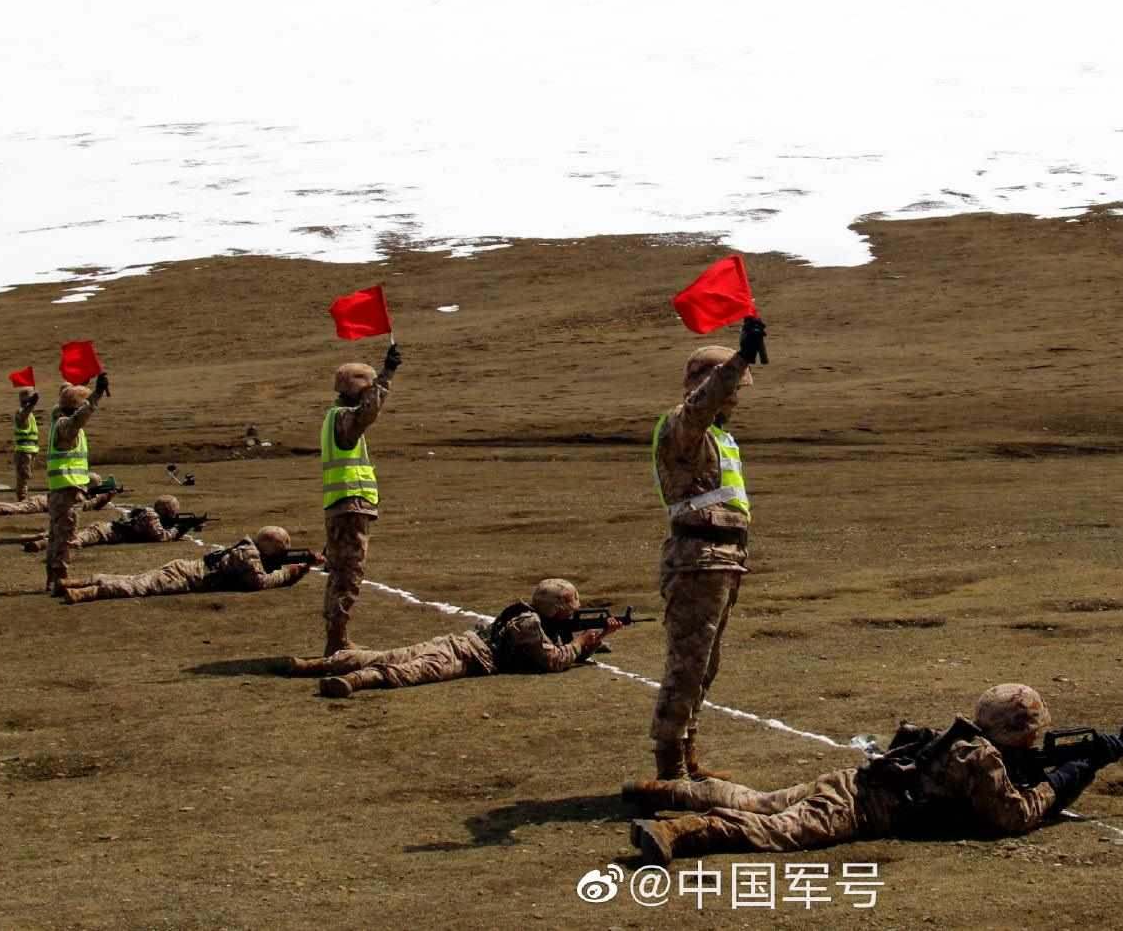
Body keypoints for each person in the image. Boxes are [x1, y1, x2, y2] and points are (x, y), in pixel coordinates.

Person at [626, 684, 1123, 861]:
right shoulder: (982, 760)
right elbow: (1013, 816)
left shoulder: (960, 739)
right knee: (773, 829)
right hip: (858, 809)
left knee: (761, 800)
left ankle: (664, 790)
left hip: (848, 781)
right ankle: (679, 830)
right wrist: (1072, 774)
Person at [648, 314, 767, 782]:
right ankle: (670, 765)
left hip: (723, 559)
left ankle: (688, 750)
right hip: (697, 560)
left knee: (705, 665)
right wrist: (739, 359)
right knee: (687, 664)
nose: (736, 396)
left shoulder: (721, 438)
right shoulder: (683, 427)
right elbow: (700, 406)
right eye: (732, 388)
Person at [284, 578, 628, 697]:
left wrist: (592, 640)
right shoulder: (530, 625)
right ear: (555, 610)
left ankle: (314, 665)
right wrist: (581, 644)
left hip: (458, 641)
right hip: (468, 656)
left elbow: (558, 646)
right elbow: (551, 661)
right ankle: (353, 681)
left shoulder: (527, 614)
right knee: (412, 670)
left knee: (389, 655)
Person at [321, 342, 401, 655]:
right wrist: (387, 375)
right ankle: (337, 640)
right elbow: (368, 413)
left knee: (340, 572)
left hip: (343, 504)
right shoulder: (345, 419)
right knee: (348, 573)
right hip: (349, 505)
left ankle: (336, 637)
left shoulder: (335, 416)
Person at [57, 526, 317, 603]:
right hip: (185, 577)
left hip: (184, 568)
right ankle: (85, 592)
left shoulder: (246, 548)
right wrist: (291, 573)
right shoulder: (249, 558)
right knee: (136, 587)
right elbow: (258, 582)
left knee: (134, 578)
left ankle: (77, 582)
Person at [43, 374, 109, 594]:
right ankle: (60, 581)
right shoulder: (66, 427)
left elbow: (70, 407)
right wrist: (95, 396)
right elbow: (78, 419)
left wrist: (83, 388)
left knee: (56, 537)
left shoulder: (58, 421)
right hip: (66, 492)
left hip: (63, 491)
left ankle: (53, 580)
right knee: (64, 539)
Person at [20, 494, 190, 552]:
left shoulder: (147, 512)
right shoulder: (152, 517)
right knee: (75, 541)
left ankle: (39, 541)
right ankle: (41, 544)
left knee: (72, 536)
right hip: (104, 532)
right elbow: (160, 537)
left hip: (105, 528)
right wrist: (178, 530)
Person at [0, 477, 117, 517]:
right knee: (17, 509)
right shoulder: (79, 496)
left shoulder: (74, 489)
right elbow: (85, 506)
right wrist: (103, 498)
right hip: (42, 503)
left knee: (16, 506)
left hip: (43, 499)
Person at [10, 388, 44, 499]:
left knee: (25, 477)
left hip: (30, 451)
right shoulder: (21, 413)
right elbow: (23, 415)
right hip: (23, 452)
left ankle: (22, 498)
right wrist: (32, 404)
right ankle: (22, 500)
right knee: (22, 479)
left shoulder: (30, 414)